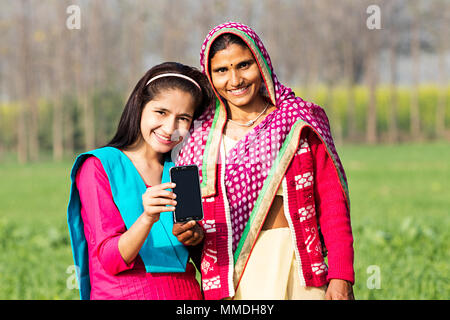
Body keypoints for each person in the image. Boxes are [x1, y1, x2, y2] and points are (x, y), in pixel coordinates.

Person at [175, 22, 355, 300]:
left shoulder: (299, 122)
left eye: (244, 65)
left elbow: (332, 203)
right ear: (209, 75)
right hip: (235, 278)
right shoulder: (198, 140)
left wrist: (341, 277)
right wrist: (190, 234)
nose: (235, 80)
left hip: (301, 269)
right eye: (222, 70)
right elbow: (188, 222)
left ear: (262, 64)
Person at [67, 62, 212, 300]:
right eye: (161, 112)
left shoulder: (184, 170)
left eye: (183, 118)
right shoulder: (99, 166)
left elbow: (200, 256)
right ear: (140, 106)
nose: (170, 128)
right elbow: (111, 260)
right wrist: (146, 218)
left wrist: (195, 238)